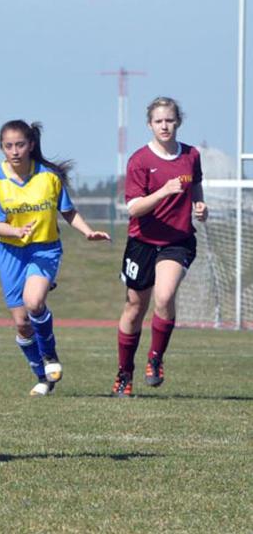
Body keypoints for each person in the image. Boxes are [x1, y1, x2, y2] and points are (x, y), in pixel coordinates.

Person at [0, 121, 110, 396]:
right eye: (8, 146)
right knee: (22, 324)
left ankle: (50, 356)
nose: (14, 151)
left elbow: (68, 212)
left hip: (44, 249)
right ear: (1, 148)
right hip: (10, 252)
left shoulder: (49, 176)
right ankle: (42, 377)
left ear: (30, 145)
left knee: (34, 301)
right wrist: (15, 231)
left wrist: (88, 232)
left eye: (20, 145)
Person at [112, 97, 206, 398]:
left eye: (169, 120)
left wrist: (200, 205)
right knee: (135, 307)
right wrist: (164, 192)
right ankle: (125, 374)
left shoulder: (191, 155)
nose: (164, 126)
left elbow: (196, 186)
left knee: (164, 297)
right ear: (150, 124)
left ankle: (155, 358)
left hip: (176, 242)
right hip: (142, 243)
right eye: (158, 121)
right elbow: (135, 209)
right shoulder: (140, 160)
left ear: (178, 121)